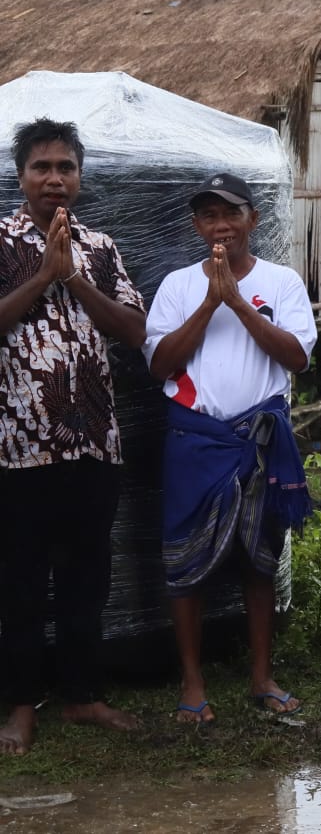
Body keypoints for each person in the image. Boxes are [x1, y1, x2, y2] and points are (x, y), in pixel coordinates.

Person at [144, 172, 317, 722]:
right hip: (197, 438)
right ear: (197, 225)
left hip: (260, 439)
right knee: (185, 562)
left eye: (232, 213)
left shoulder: (282, 282)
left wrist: (238, 303)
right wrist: (209, 304)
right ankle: (193, 680)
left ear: (253, 220)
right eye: (210, 215)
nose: (222, 225)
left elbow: (296, 358)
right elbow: (159, 364)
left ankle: (262, 675)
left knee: (259, 559)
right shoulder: (177, 285)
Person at [0, 118, 146, 756]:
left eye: (66, 167)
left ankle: (83, 695)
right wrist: (40, 275)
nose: (55, 178)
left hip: (95, 443)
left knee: (87, 574)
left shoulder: (103, 247)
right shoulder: (0, 241)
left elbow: (134, 331)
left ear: (81, 178)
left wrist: (74, 277)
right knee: (21, 582)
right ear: (21, 175)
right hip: (18, 446)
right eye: (42, 167)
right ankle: (20, 706)